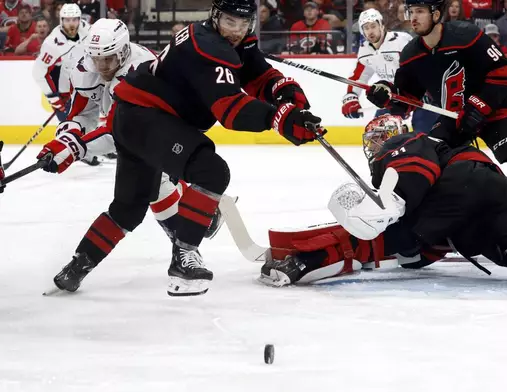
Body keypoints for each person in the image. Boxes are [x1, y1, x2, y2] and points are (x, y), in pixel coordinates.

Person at [40, 0, 320, 297]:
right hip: (146, 120)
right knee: (211, 172)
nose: (236, 31)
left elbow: (256, 73)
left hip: (133, 119)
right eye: (229, 22)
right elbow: (230, 110)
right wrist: (280, 119)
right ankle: (184, 259)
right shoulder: (205, 46)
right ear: (214, 17)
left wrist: (283, 92)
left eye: (243, 23)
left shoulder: (220, 38)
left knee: (128, 209)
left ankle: (77, 267)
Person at [258, 115, 507, 293]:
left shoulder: (404, 145)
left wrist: (392, 208)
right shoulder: (433, 147)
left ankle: (302, 262)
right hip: (492, 200)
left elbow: (415, 173)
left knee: (375, 237)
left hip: (458, 188)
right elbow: (424, 249)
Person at [37, 18, 227, 294]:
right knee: (130, 205)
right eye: (96, 59)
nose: (101, 67)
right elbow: (82, 114)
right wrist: (65, 139)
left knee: (161, 188)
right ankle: (81, 262)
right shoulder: (89, 64)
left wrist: (75, 148)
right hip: (136, 137)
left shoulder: (139, 72)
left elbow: (116, 132)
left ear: (124, 52)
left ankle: (187, 243)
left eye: (108, 59)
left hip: (166, 129)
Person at [364, 0, 507, 234]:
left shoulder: (465, 35)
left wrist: (478, 106)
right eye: (410, 12)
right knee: (431, 162)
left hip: (496, 110)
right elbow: (406, 100)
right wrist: (385, 95)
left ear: (436, 14)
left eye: (419, 12)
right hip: (455, 118)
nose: (413, 18)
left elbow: (502, 70)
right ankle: (428, 228)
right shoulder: (411, 54)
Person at [343, 8, 437, 133]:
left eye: (373, 26)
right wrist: (351, 97)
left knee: (424, 132)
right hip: (394, 95)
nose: (370, 31)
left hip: (420, 95)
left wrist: (427, 89)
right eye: (366, 28)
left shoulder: (400, 41)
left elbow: (423, 63)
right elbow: (358, 77)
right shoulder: (365, 50)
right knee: (378, 131)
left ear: (381, 25)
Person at [32, 3, 88, 122]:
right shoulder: (52, 43)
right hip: (66, 93)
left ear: (80, 19)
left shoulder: (89, 31)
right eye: (67, 20)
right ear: (61, 20)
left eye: (74, 19)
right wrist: (53, 97)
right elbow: (38, 72)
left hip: (88, 87)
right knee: (70, 129)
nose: (71, 23)